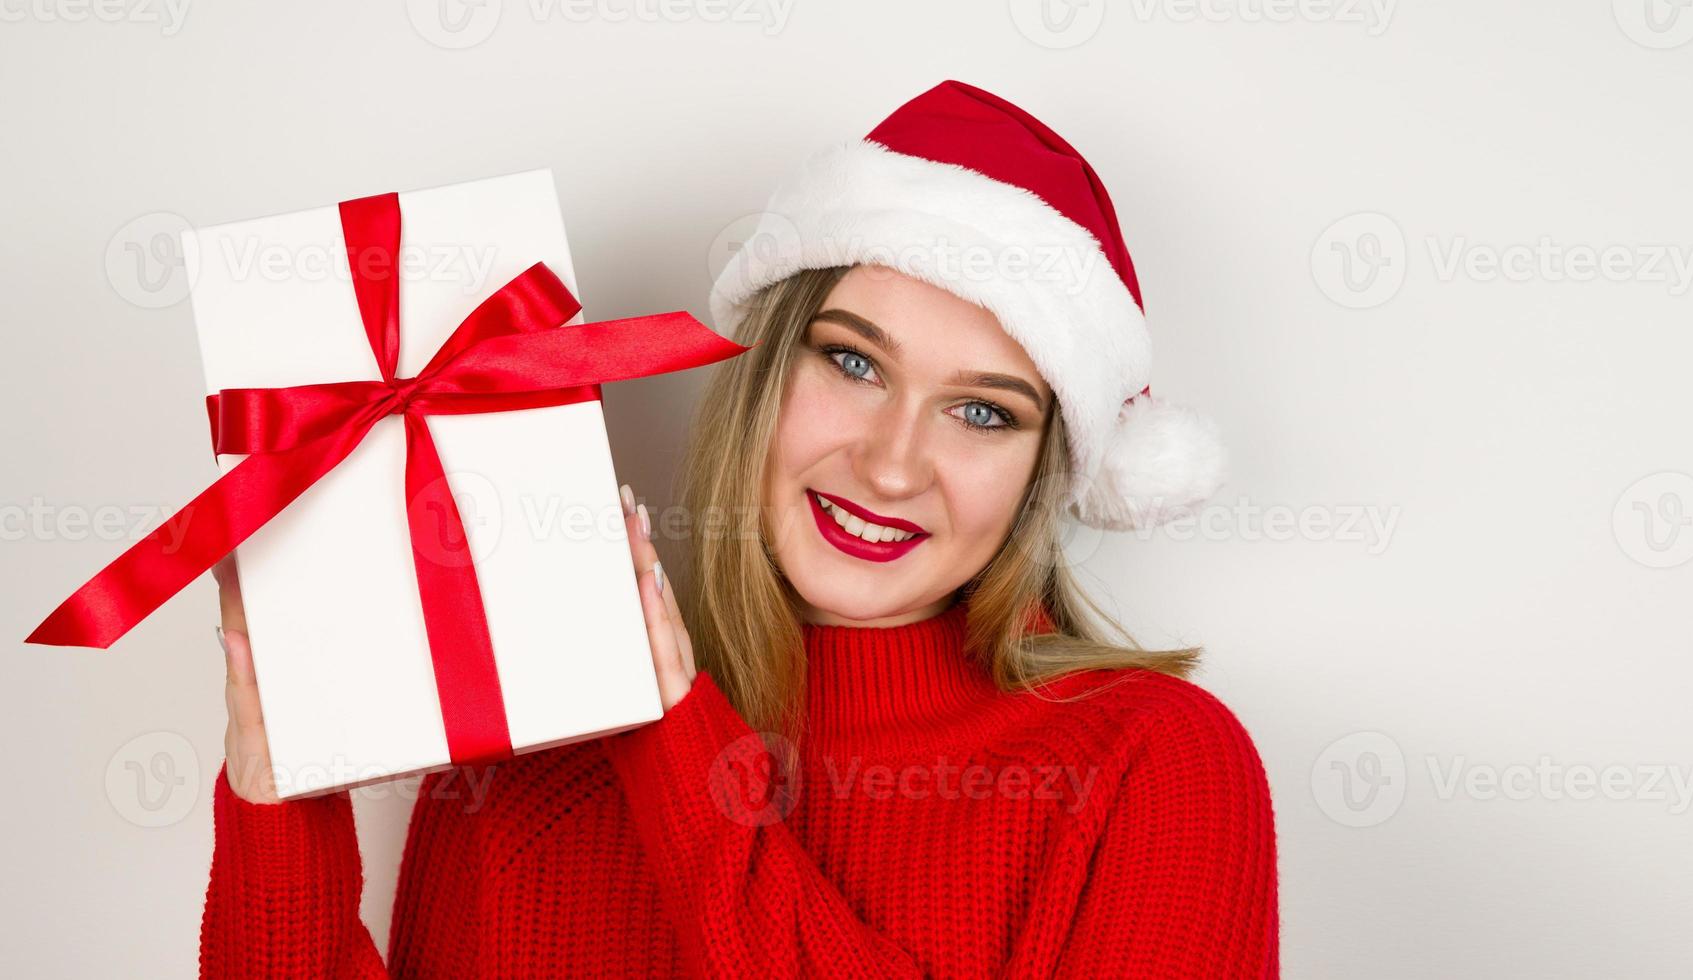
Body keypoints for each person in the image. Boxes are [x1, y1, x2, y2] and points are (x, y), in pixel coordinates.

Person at [200, 79, 1278, 978]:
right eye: (853, 361)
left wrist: (685, 761)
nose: (892, 461)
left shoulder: (1153, 766)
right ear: (766, 373)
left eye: (982, 411)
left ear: (1043, 471)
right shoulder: (533, 757)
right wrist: (278, 813)